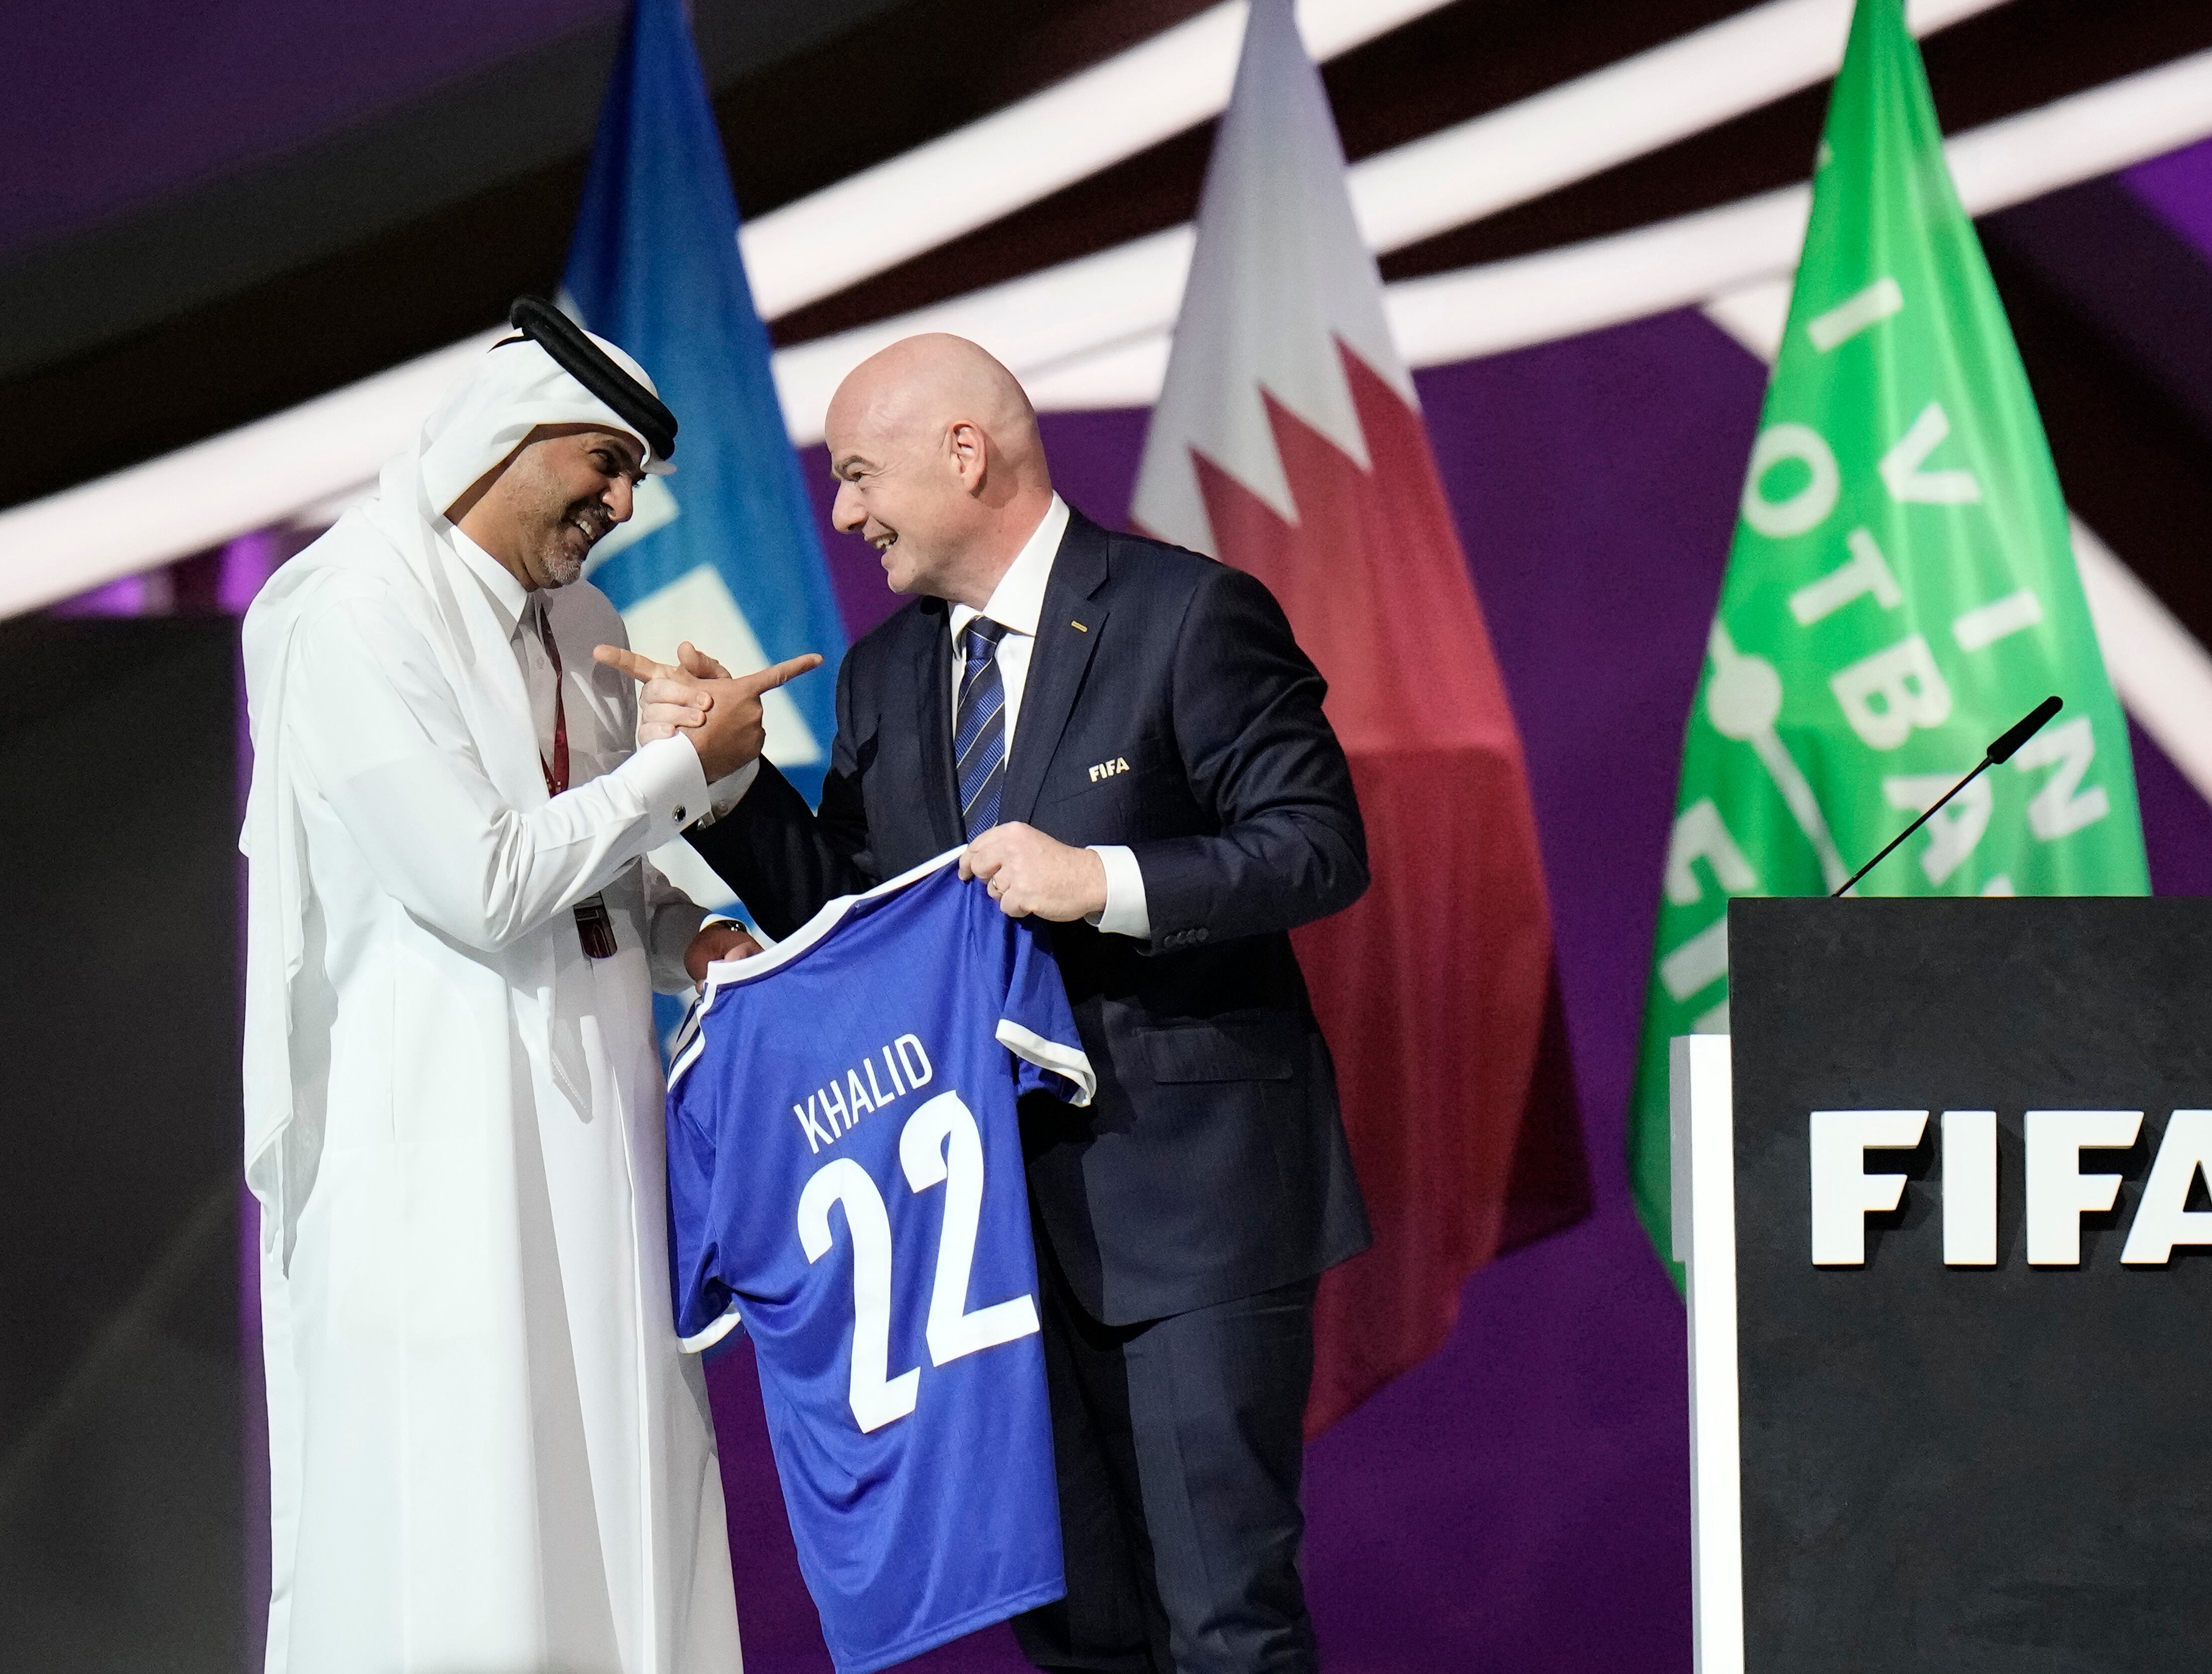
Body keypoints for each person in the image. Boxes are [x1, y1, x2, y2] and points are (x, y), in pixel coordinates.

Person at [608, 332, 1371, 1673]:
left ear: (966, 453)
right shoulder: (886, 674)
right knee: (1083, 1641)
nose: (843, 515)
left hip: (1184, 1208)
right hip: (979, 1244)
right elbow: (851, 906)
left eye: (858, 476)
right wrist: (723, 780)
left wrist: (1100, 879)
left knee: (1225, 1626)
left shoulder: (1189, 614)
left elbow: (1318, 845)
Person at [239, 298, 815, 1674]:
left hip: (598, 1141)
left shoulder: (589, 620)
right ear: (509, 435)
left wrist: (692, 940)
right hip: (434, 1158)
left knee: (614, 1499)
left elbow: (596, 870)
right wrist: (686, 769)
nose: (621, 501)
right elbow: (482, 882)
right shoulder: (355, 608)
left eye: (634, 477)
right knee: (466, 1516)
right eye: (604, 463)